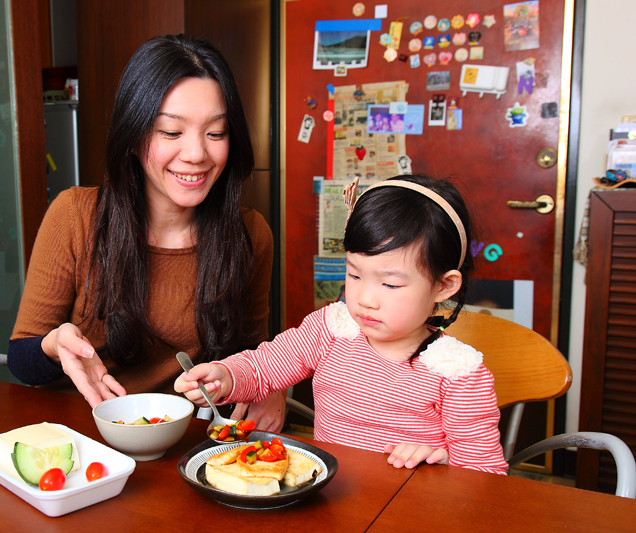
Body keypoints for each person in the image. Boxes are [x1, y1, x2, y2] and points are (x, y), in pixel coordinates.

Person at [8, 34, 286, 431]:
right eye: (171, 132)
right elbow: (21, 360)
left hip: (181, 446)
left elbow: (252, 350)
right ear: (135, 136)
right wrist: (53, 346)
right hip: (79, 438)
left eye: (216, 133)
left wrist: (268, 380)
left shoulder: (250, 233)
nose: (196, 154)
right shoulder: (73, 216)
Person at [175, 174, 508, 475]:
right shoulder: (332, 329)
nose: (365, 298)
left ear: (443, 286)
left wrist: (442, 460)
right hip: (328, 501)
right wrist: (225, 377)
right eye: (354, 274)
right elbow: (264, 368)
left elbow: (486, 476)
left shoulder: (459, 374)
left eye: (390, 284)